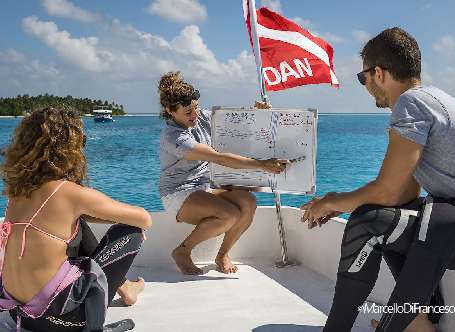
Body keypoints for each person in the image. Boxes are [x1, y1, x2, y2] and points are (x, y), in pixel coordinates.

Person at [300, 27, 455, 332]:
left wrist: (331, 202)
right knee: (389, 217)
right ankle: (417, 322)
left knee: (367, 224)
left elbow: (390, 191)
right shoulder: (434, 98)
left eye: (362, 77)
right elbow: (404, 192)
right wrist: (341, 201)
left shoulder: (411, 104)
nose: (364, 85)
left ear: (379, 73)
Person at [0, 107, 152, 331]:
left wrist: (81, 213)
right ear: (70, 149)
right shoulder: (70, 193)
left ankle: (126, 287)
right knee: (130, 231)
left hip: (19, 315)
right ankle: (107, 307)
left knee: (75, 223)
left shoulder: (17, 193)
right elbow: (144, 218)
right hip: (60, 320)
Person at [158, 71, 288, 275]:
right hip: (178, 192)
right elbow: (219, 158)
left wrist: (257, 112)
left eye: (196, 108)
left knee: (248, 202)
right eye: (188, 112)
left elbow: (238, 122)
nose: (195, 116)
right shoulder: (174, 137)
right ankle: (183, 251)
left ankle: (222, 255)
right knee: (229, 215)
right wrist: (262, 165)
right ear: (170, 111)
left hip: (204, 186)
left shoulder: (201, 117)